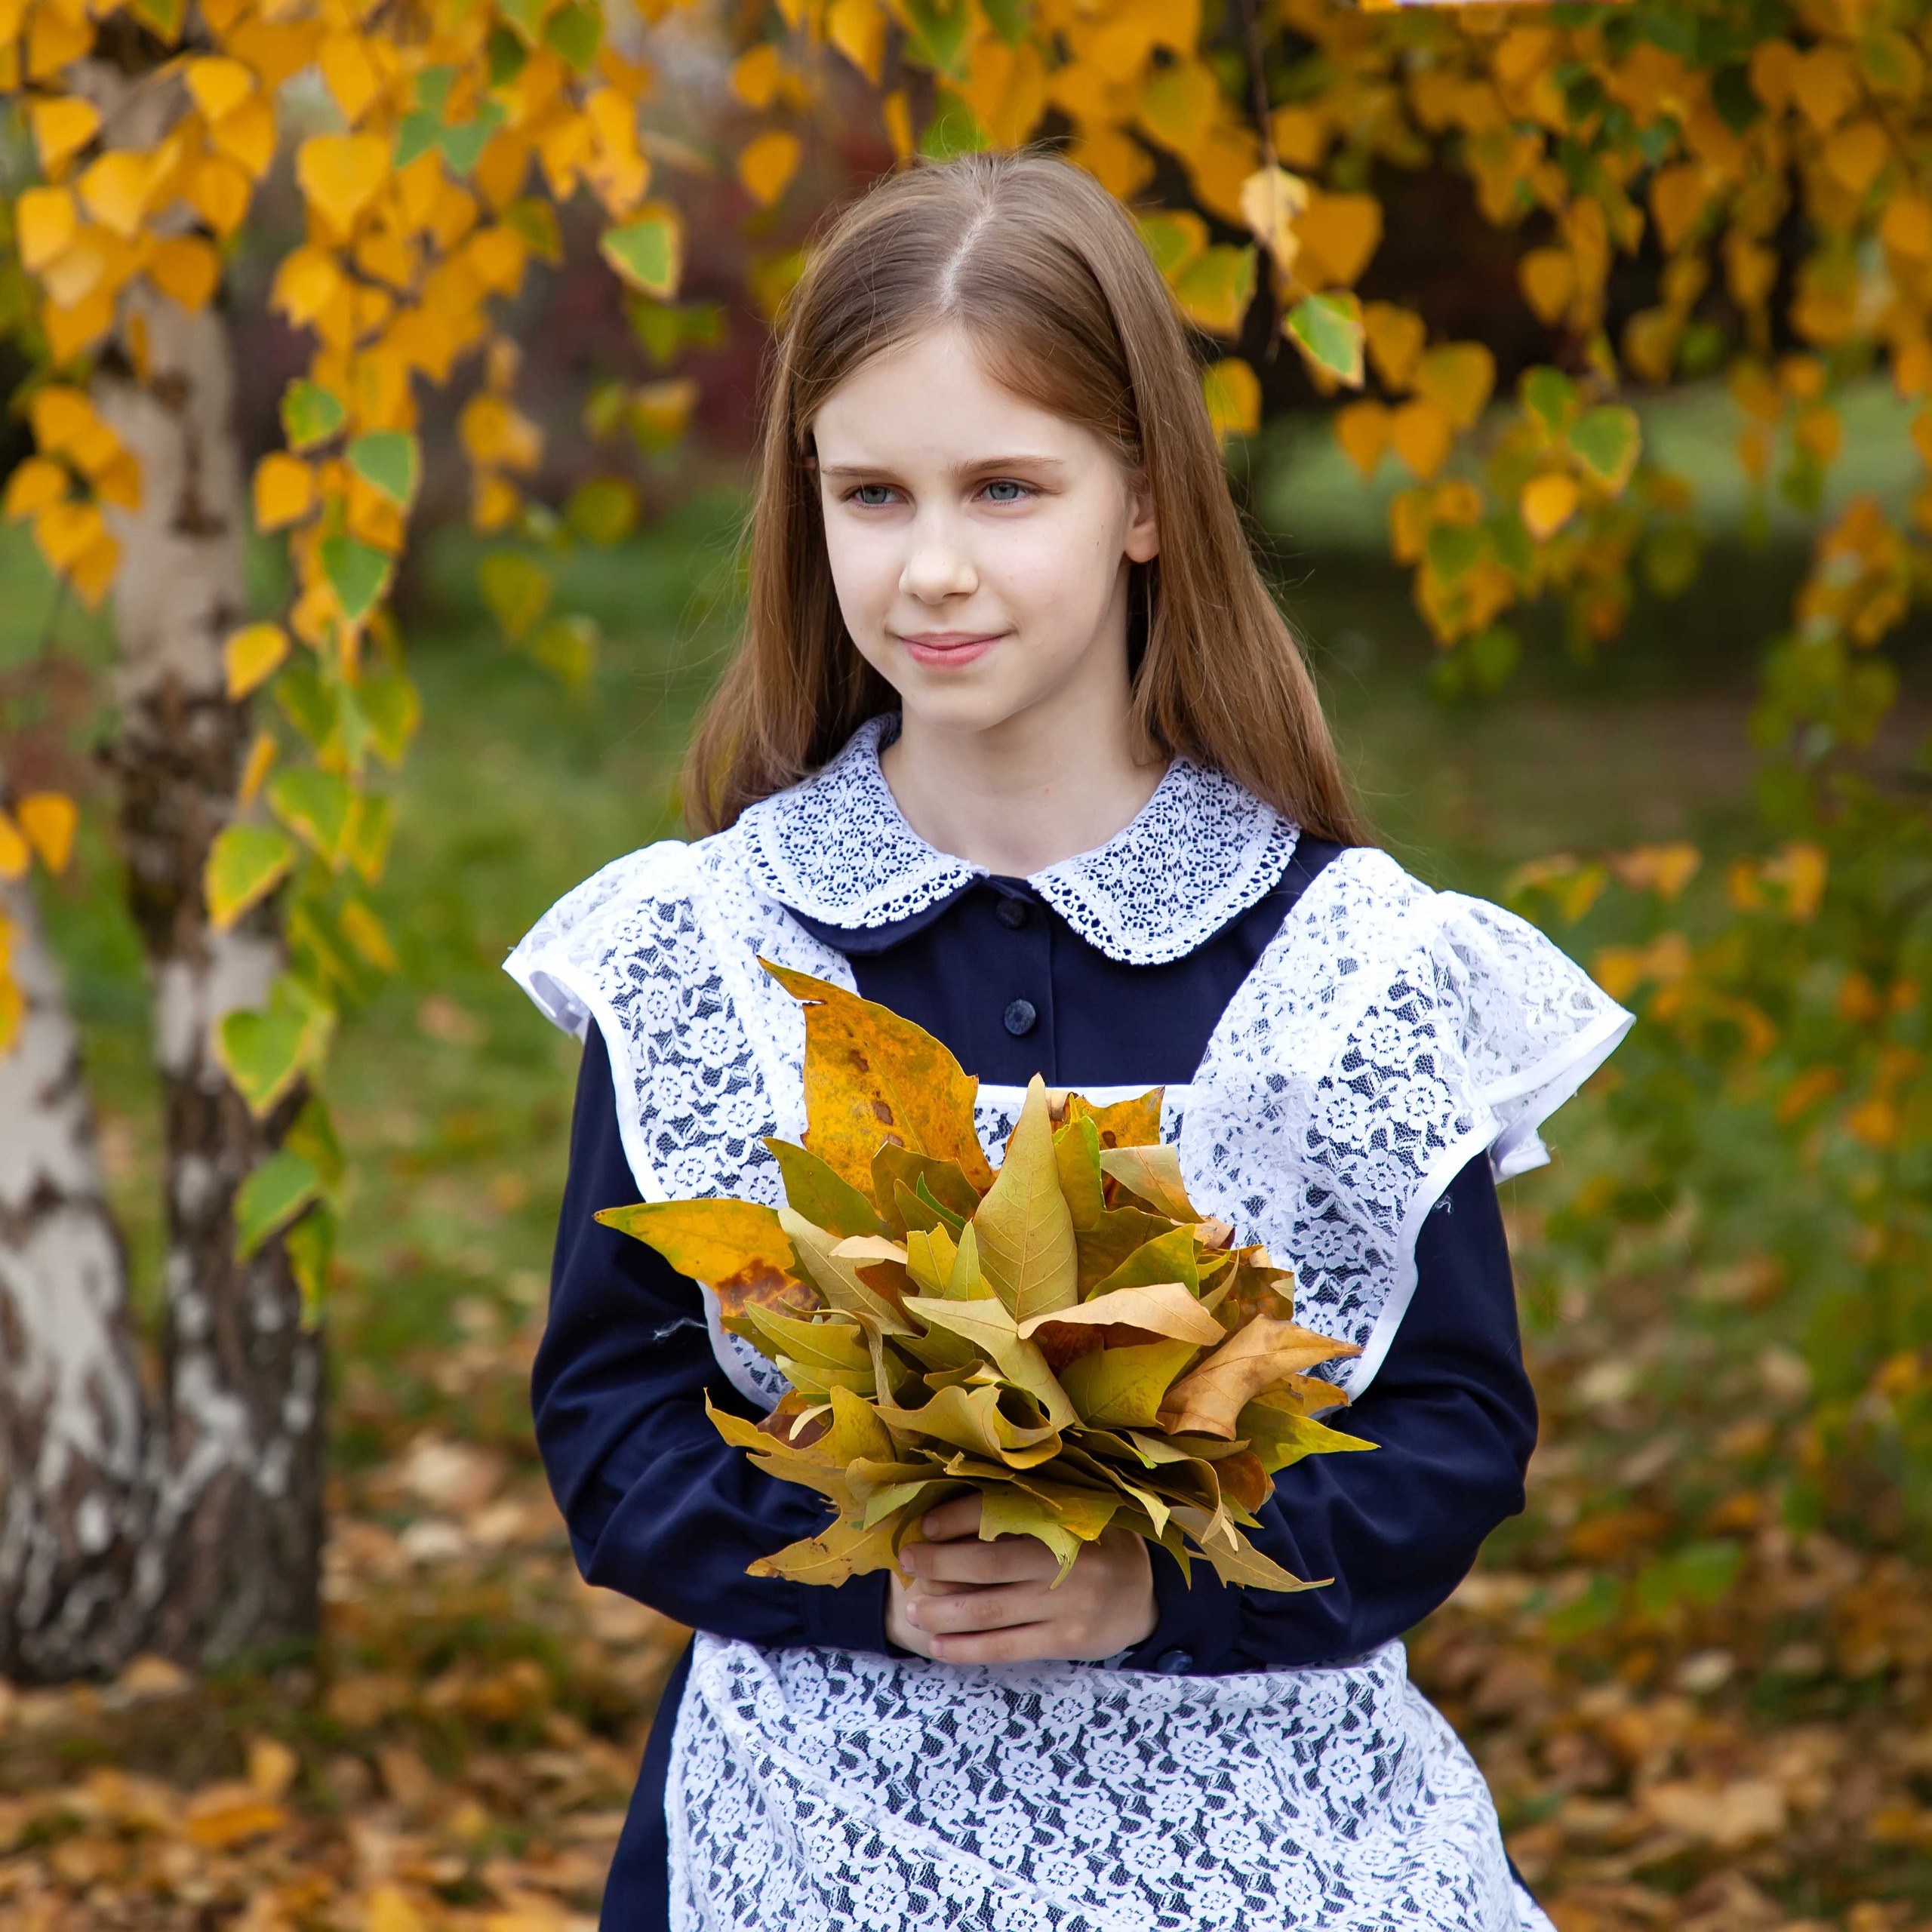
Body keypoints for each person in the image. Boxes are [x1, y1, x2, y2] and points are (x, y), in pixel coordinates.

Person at [506, 149, 1632, 1932]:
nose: (930, 565)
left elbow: (1449, 1428)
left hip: (1275, 1828)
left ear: (1142, 502)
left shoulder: (1342, 957)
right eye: (869, 493)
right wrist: (867, 1576)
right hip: (808, 1822)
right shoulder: (704, 944)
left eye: (1004, 487)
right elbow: (612, 1404)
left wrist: (1156, 1591)